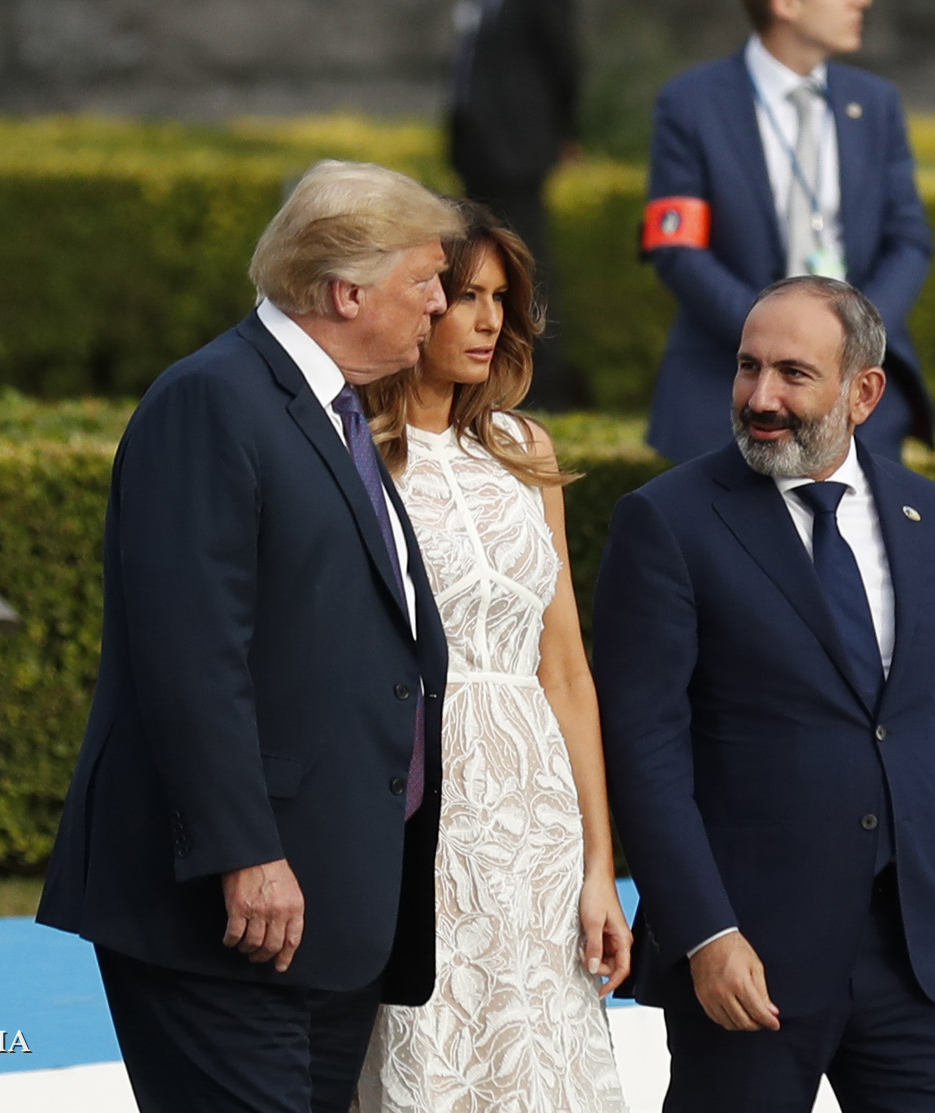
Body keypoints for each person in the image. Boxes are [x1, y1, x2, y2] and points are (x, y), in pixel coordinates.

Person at [36, 161, 460, 1113]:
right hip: (229, 912)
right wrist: (244, 852)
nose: (440, 304)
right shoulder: (213, 399)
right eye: (425, 280)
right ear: (347, 291)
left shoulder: (329, 409)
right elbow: (191, 654)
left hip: (328, 909)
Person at [593, 276, 935, 1112]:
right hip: (747, 961)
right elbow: (644, 752)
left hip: (919, 957)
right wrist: (706, 933)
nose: (761, 397)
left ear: (864, 392)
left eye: (793, 373)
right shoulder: (667, 520)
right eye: (747, 367)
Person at [354, 204, 630, 1112]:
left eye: (500, 298)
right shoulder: (355, 453)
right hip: (420, 798)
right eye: (465, 295)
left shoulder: (523, 449)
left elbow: (567, 670)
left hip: (537, 812)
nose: (487, 320)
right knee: (431, 1049)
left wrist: (599, 864)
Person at [641, 0, 933, 462]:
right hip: (722, 394)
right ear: (786, 5)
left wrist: (852, 339)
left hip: (855, 399)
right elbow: (678, 248)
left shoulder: (876, 102)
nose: (861, 3)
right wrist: (777, 339)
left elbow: (910, 241)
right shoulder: (692, 102)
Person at [449, 0, 582, 410]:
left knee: (527, 268)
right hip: (477, 153)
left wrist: (563, 130)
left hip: (518, 152)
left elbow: (564, 60)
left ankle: (541, 386)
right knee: (483, 265)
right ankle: (489, 381)